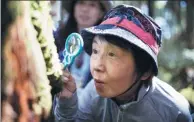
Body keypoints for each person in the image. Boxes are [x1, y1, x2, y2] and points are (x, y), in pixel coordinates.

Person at [54, 5, 193, 122]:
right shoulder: (93, 92)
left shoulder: (174, 113)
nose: (97, 66)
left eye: (112, 55)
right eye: (96, 51)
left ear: (145, 72)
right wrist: (67, 101)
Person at [54, 0, 112, 88]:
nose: (85, 9)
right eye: (81, 3)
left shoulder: (108, 48)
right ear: (73, 7)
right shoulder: (56, 40)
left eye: (92, 5)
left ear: (101, 13)